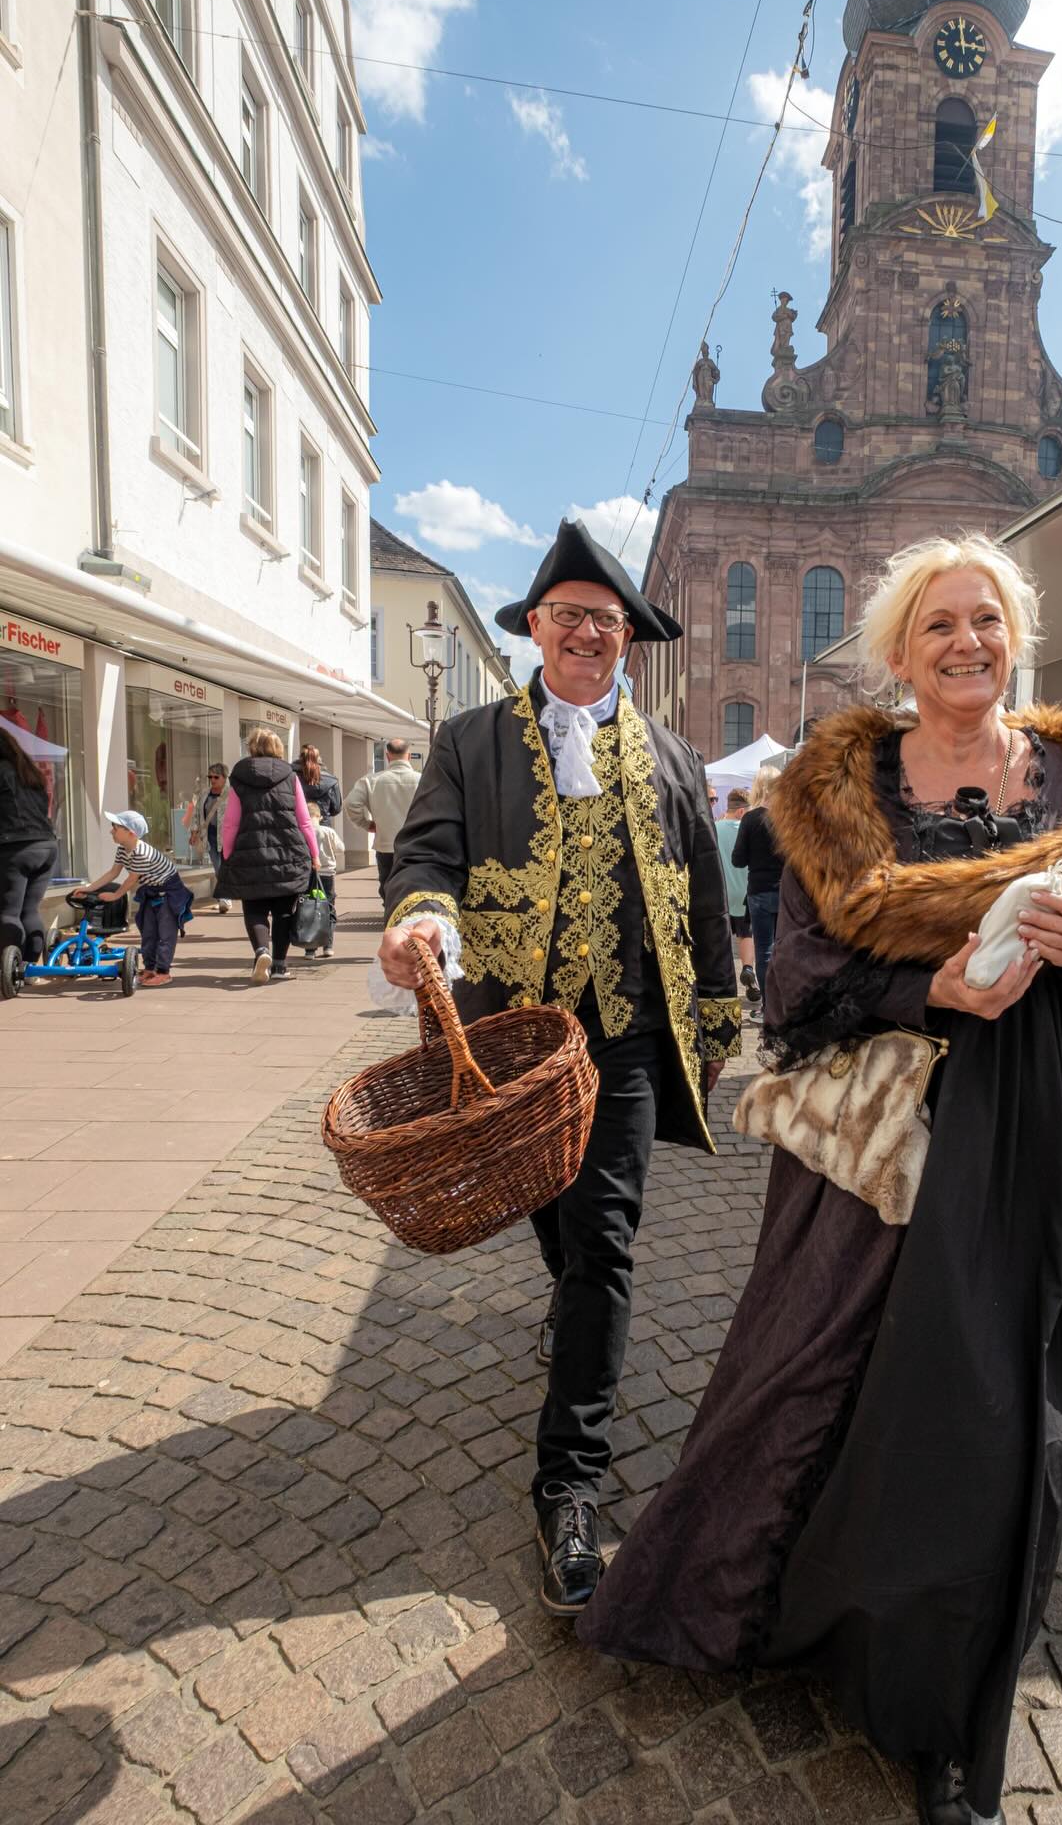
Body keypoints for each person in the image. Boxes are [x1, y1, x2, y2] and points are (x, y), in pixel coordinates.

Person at [577, 534, 1062, 1825]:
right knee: (818, 1370)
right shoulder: (840, 789)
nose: (966, 643)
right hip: (885, 1144)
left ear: (1015, 634)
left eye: (986, 620)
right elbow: (797, 982)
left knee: (992, 1411)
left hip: (1036, 1138)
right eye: (938, 626)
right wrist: (936, 986)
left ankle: (946, 1710)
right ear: (899, 653)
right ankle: (768, 1607)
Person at [374, 517, 740, 1620]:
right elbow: (427, 849)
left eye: (607, 619)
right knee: (555, 1216)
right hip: (512, 1039)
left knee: (607, 1244)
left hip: (622, 1039)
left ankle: (569, 1483)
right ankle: (570, 1302)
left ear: (628, 639)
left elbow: (708, 902)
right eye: (569, 615)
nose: (588, 633)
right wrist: (420, 917)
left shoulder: (671, 757)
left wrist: (716, 1029)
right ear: (534, 628)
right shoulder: (471, 739)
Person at [221, 728, 320, 984]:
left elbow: (230, 822)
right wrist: (314, 854)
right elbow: (304, 820)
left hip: (249, 850)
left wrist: (229, 852)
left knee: (254, 909)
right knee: (284, 912)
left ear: (252, 747)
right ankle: (279, 965)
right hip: (288, 852)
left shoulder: (239, 777)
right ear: (278, 748)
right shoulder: (290, 776)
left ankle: (261, 950)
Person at [73, 810, 193, 987]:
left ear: (131, 833)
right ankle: (150, 969)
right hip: (152, 890)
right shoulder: (123, 849)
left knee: (165, 934)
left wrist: (115, 895)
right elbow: (113, 873)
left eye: (115, 827)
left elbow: (131, 879)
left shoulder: (141, 853)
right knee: (148, 930)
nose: (111, 831)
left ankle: (163, 972)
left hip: (169, 891)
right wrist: (89, 888)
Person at [0, 726, 58, 967]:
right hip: (46, 845)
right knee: (29, 910)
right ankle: (30, 967)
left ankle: (9, 970)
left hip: (16, 847)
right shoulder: (30, 772)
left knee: (8, 913)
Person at [732, 764, 783, 1010]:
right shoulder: (790, 817)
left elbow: (737, 859)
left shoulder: (751, 819)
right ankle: (783, 1003)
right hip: (786, 893)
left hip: (759, 890)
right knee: (783, 948)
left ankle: (767, 1007)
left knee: (764, 949)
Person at [344, 738, 420, 898]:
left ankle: (389, 916)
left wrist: (367, 824)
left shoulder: (371, 780)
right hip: (416, 844)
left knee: (388, 887)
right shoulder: (422, 780)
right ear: (409, 755)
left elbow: (351, 804)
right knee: (414, 888)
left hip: (385, 844)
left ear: (387, 756)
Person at [713, 786, 759, 1004]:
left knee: (721, 937)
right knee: (746, 935)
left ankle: (723, 978)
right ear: (742, 811)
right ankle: (748, 969)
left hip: (721, 892)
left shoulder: (714, 828)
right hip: (744, 891)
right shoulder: (749, 828)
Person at [188, 763, 231, 913]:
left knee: (224, 867)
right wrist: (194, 832)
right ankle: (226, 897)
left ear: (224, 778)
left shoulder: (231, 794)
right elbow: (197, 814)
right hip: (210, 837)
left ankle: (225, 898)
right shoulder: (205, 794)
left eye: (216, 777)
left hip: (227, 837)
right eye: (210, 777)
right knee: (218, 867)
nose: (212, 780)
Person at [304, 800, 339, 960]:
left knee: (310, 909)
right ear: (319, 816)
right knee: (328, 908)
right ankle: (328, 946)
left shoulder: (303, 831)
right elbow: (341, 848)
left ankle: (310, 949)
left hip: (309, 875)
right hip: (327, 875)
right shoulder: (328, 831)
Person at [294, 744, 342, 821]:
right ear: (319, 759)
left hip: (296, 825)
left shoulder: (290, 776)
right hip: (321, 825)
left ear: (300, 757)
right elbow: (336, 809)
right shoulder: (331, 780)